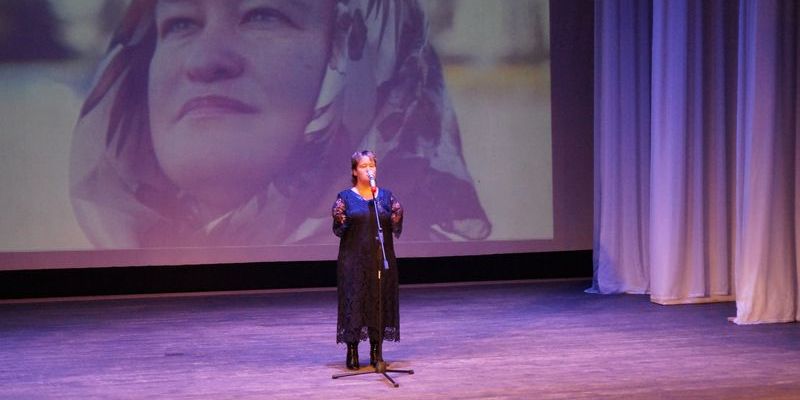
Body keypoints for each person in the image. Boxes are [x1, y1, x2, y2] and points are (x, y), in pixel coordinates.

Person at [70, 0, 490, 248]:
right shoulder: (118, 297)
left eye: (263, 15)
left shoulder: (429, 296)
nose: (204, 60)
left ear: (370, 52)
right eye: (180, 24)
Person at [332, 150, 402, 370]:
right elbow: (339, 224)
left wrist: (392, 211)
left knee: (378, 301)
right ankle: (352, 349)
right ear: (355, 171)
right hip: (353, 260)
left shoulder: (386, 196)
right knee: (354, 302)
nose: (369, 170)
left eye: (372, 165)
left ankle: (375, 350)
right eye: (363, 166)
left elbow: (395, 218)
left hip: (380, 259)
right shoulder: (345, 197)